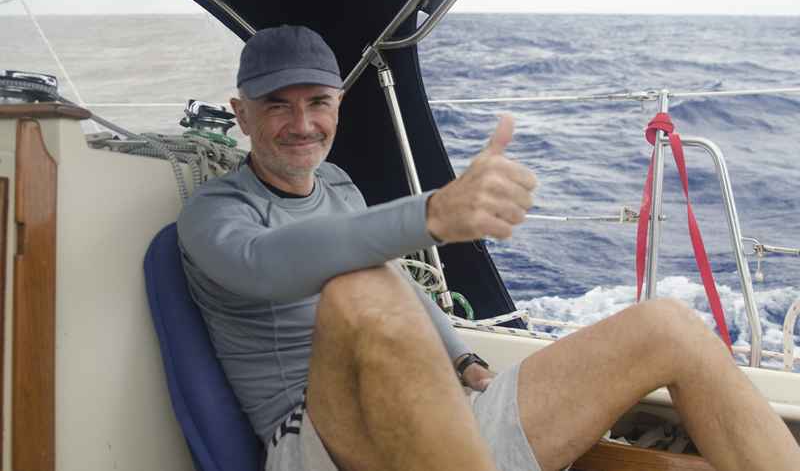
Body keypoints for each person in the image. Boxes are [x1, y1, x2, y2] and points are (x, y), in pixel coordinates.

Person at [177, 25, 799, 471]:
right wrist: (431, 215)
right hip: (317, 440)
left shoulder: (338, 185)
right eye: (277, 106)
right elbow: (266, 266)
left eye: (318, 102)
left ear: (339, 104)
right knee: (356, 286)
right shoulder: (213, 214)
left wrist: (463, 360)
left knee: (668, 326)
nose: (302, 124)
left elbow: (404, 289)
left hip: (430, 413)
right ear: (241, 114)